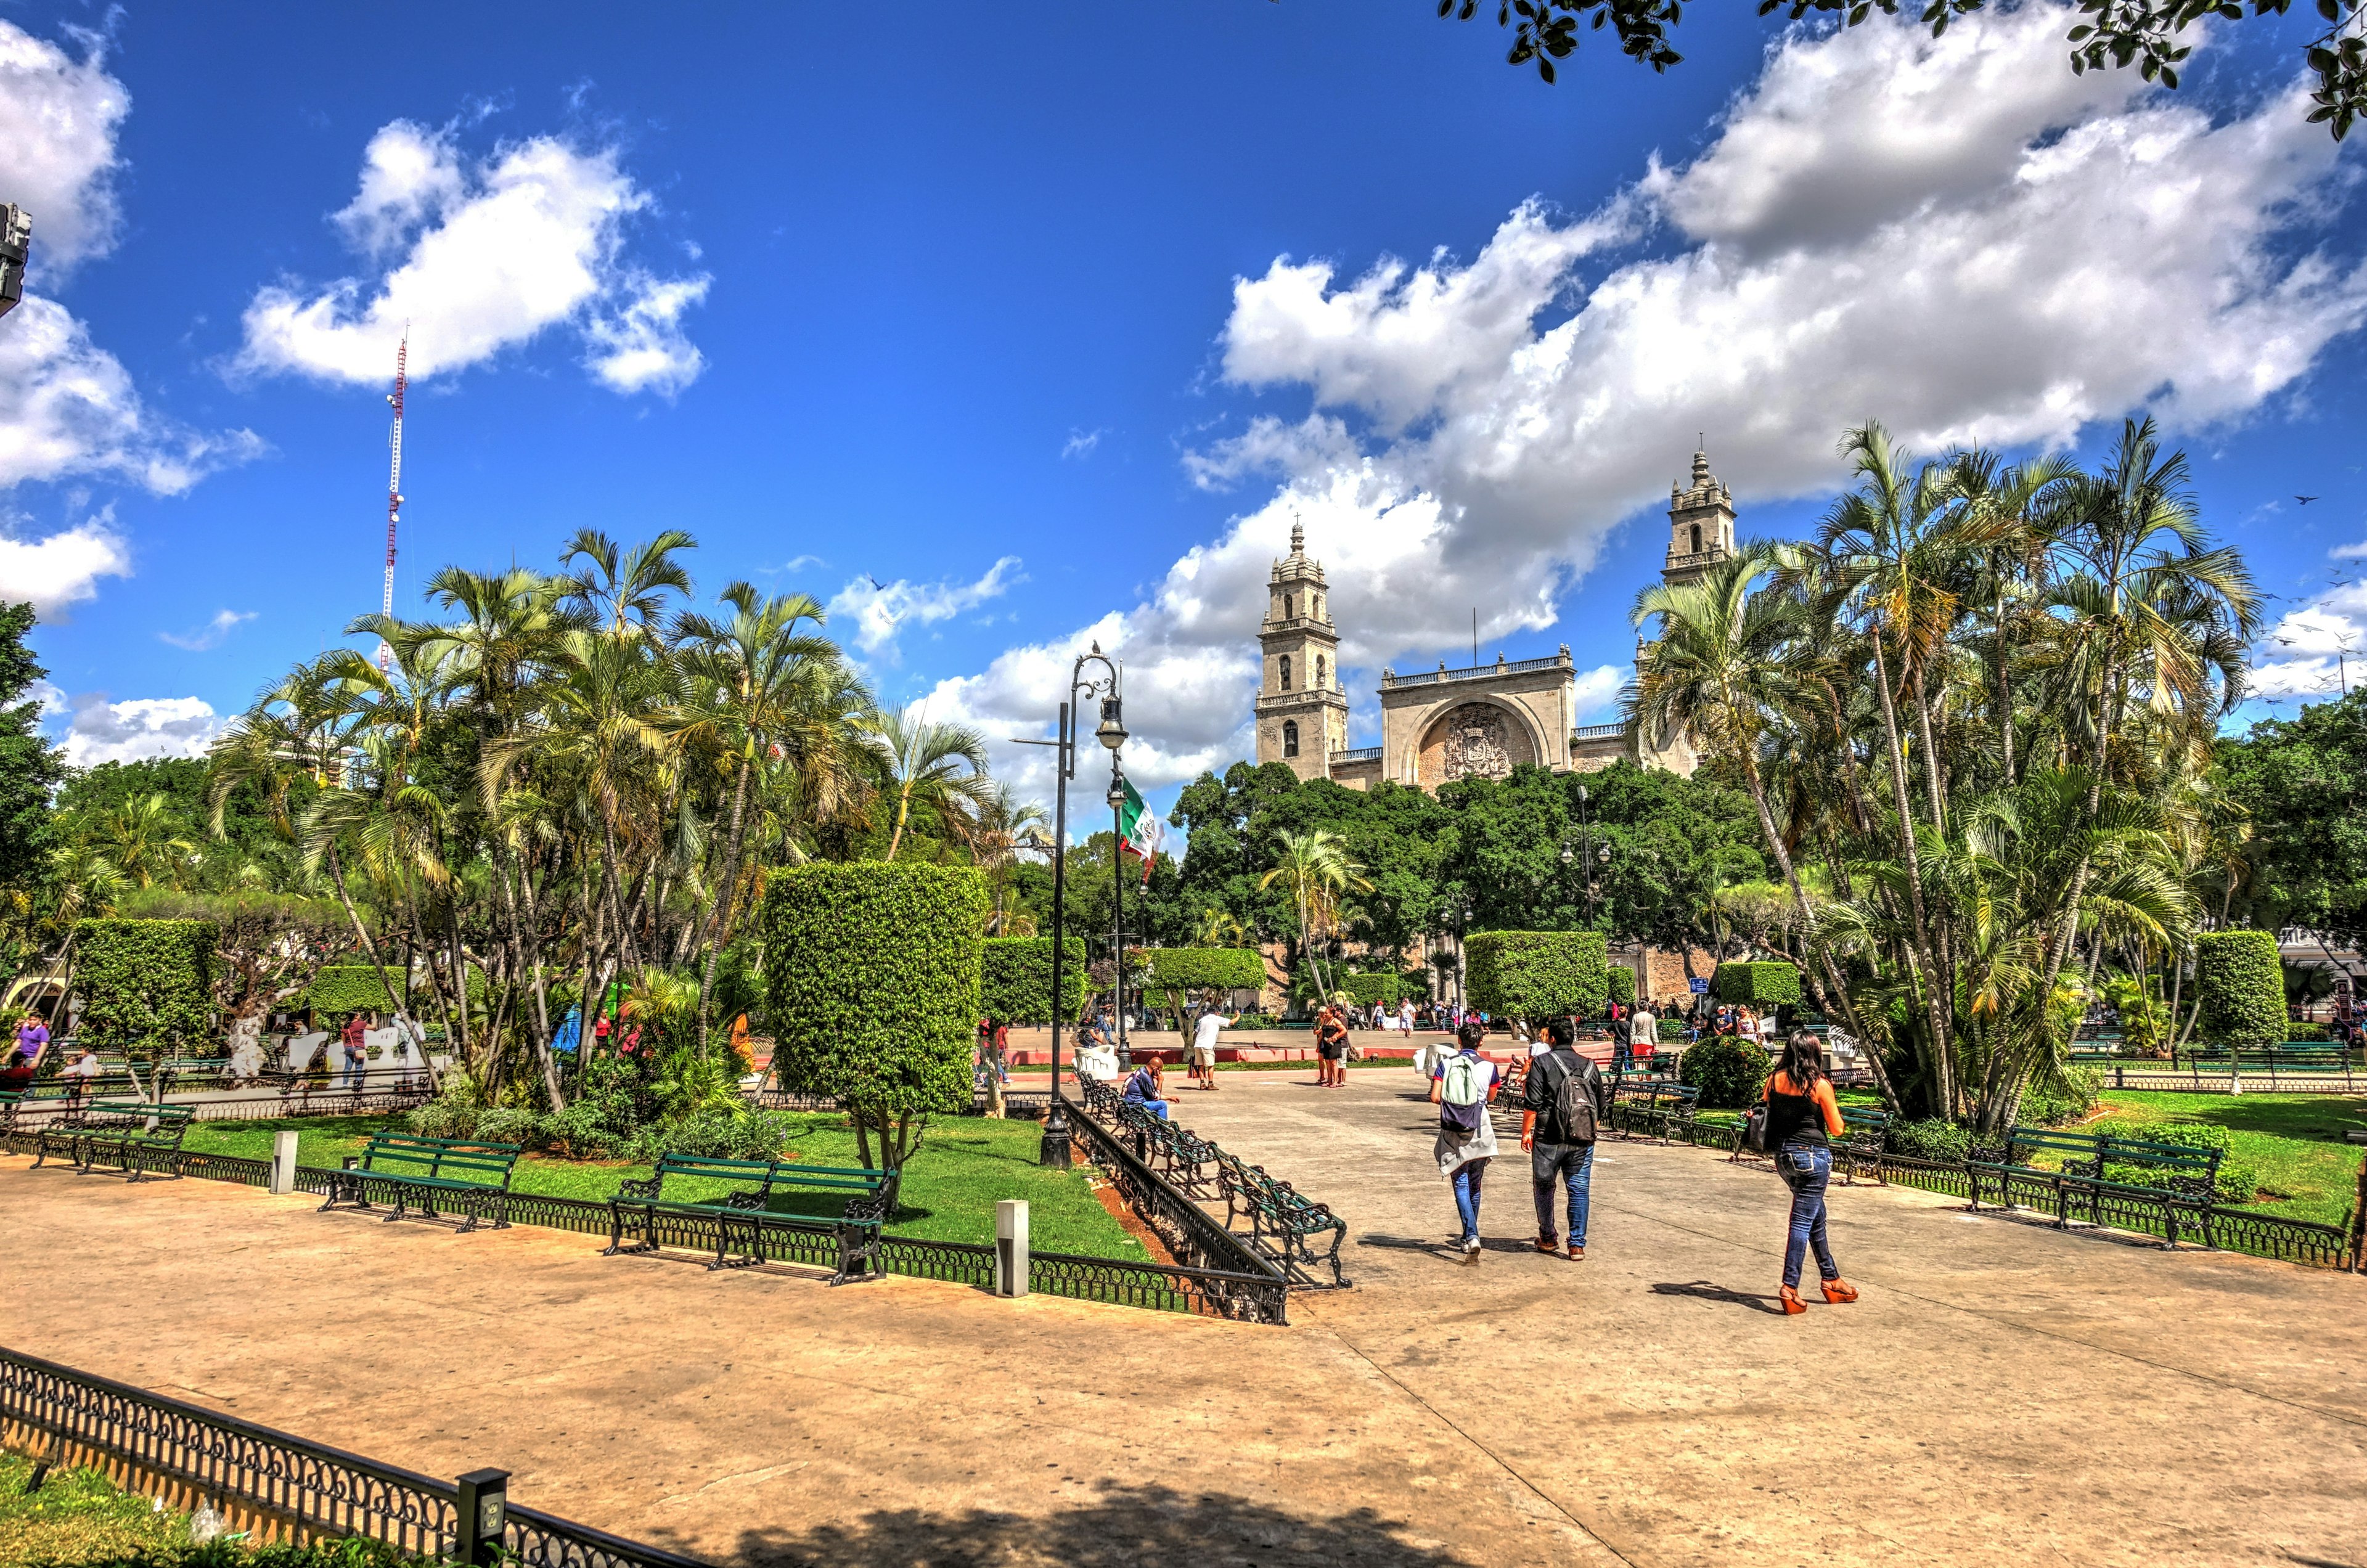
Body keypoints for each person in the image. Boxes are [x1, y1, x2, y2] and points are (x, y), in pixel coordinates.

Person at [1764, 1030, 1858, 1314]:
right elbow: (1837, 1128)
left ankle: (1832, 1279)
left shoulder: (1774, 1080)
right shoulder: (1819, 1085)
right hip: (1813, 1157)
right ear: (1814, 1054)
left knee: (1817, 1215)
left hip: (1784, 1158)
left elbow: (1767, 1111)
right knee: (1802, 1222)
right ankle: (1790, 1287)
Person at [1521, 1018, 1613, 1260]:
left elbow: (1532, 1103)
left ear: (1551, 1038)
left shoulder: (1542, 1063)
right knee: (1579, 1189)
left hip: (1547, 1137)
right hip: (1582, 1139)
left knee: (1544, 1187)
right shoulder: (1590, 1066)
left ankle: (1549, 1237)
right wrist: (1586, 1130)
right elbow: (1601, 1108)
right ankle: (1577, 1245)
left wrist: (1526, 1132)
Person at [1429, 1022, 1501, 1264]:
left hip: (1453, 1132)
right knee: (1475, 1185)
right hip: (1480, 1129)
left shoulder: (1445, 1065)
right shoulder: (1490, 1068)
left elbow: (1435, 1097)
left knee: (1460, 1184)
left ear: (1459, 1042)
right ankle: (1468, 1236)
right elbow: (1491, 1097)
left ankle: (1471, 1236)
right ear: (1481, 1043)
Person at [1190, 1005, 1235, 1090]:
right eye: (1219, 1012)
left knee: (1201, 1065)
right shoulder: (1216, 1019)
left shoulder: (1202, 1020)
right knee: (1211, 1065)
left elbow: (1196, 1033)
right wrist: (1238, 1017)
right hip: (1208, 1045)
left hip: (1198, 1045)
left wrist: (1194, 1042)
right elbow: (1232, 1022)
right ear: (1216, 1012)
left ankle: (1202, 1084)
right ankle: (1210, 1084)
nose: (1220, 1014)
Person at [1121, 1056, 1171, 1121]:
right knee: (1162, 1105)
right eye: (1159, 1071)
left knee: (1156, 1102)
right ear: (1155, 1069)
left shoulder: (1140, 1071)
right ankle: (1162, 1129)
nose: (1160, 1073)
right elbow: (1156, 1097)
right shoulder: (1146, 1077)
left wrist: (1170, 1098)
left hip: (1127, 1102)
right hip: (1135, 1106)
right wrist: (1160, 1081)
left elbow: (1152, 1093)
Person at [1314, 1005, 1350, 1088]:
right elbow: (1322, 1033)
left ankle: (1335, 1081)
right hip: (1326, 1044)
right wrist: (1319, 1044)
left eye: (1326, 1013)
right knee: (1328, 1063)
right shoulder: (1325, 1021)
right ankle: (1329, 1081)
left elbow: (1344, 1030)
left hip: (1334, 1045)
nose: (1325, 1015)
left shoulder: (1335, 1021)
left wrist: (1336, 1037)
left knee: (1334, 1063)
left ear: (1331, 1014)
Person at [62, 1042, 101, 1106]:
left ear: (87, 1051)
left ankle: (85, 1097)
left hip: (89, 1074)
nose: (81, 1052)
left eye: (82, 1050)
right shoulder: (83, 1057)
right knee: (86, 1087)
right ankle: (88, 1097)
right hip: (84, 1074)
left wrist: (96, 1072)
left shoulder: (92, 1057)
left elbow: (95, 1065)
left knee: (86, 1085)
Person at [341, 1011, 369, 1093]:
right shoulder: (360, 1024)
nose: (361, 1016)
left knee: (347, 1067)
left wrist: (346, 1047)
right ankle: (358, 1083)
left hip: (348, 1047)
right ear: (356, 1016)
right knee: (359, 1067)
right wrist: (374, 1017)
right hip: (358, 1047)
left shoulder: (346, 1025)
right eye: (359, 1014)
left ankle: (345, 1084)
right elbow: (373, 1027)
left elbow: (343, 1038)